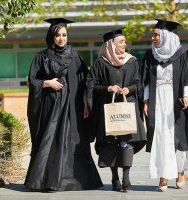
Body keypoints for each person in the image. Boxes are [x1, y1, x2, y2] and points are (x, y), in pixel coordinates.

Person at [25, 17, 103, 191]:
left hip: (72, 106)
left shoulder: (74, 56)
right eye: (58, 35)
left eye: (64, 35)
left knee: (73, 140)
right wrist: (47, 83)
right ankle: (46, 181)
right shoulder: (42, 57)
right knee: (50, 139)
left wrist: (86, 103)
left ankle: (76, 180)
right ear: (51, 36)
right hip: (51, 107)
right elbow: (32, 80)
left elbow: (85, 81)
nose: (61, 38)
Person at [141, 18, 188, 191]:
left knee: (180, 138)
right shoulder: (150, 55)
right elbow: (145, 81)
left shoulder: (183, 53)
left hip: (177, 103)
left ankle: (181, 172)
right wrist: (145, 101)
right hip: (157, 101)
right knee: (160, 138)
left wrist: (187, 96)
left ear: (166, 36)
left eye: (156, 35)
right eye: (153, 35)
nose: (153, 38)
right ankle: (163, 175)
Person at [86, 28, 147, 192]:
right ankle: (114, 178)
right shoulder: (100, 63)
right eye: (121, 42)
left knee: (126, 143)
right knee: (111, 144)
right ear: (111, 45)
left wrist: (130, 89)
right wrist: (108, 88)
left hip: (128, 108)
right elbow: (91, 86)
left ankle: (126, 179)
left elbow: (139, 83)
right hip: (109, 110)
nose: (124, 45)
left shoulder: (132, 61)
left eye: (124, 42)